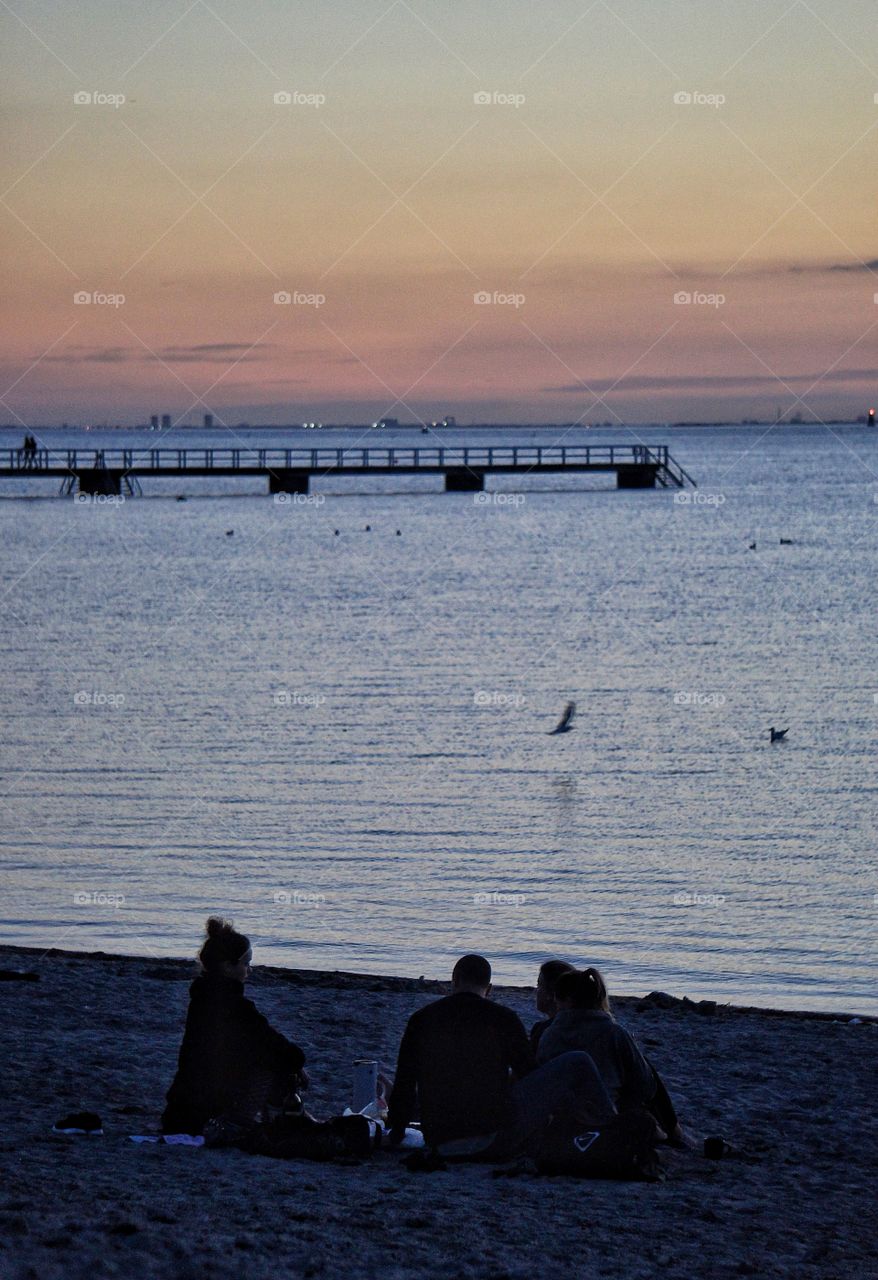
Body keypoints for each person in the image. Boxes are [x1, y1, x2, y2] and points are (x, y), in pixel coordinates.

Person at [387, 953, 615, 1159]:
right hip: (492, 1139)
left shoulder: (421, 1019)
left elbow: (404, 1083)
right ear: (489, 988)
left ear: (453, 982)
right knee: (577, 1060)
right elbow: (528, 1073)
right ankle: (614, 1128)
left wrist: (396, 1132)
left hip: (439, 1140)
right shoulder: (504, 1018)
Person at [161, 917, 308, 1136]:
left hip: (180, 1107)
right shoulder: (234, 1005)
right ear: (227, 967)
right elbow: (270, 1040)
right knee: (276, 1064)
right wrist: (296, 1064)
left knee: (271, 1056)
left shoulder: (201, 998)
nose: (249, 970)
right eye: (245, 964)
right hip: (206, 1108)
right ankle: (243, 1120)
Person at [535, 965, 691, 1147]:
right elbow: (645, 1087)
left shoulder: (549, 1035)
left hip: (561, 1118)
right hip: (606, 1116)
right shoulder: (614, 1033)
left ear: (563, 1000)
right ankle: (672, 1130)